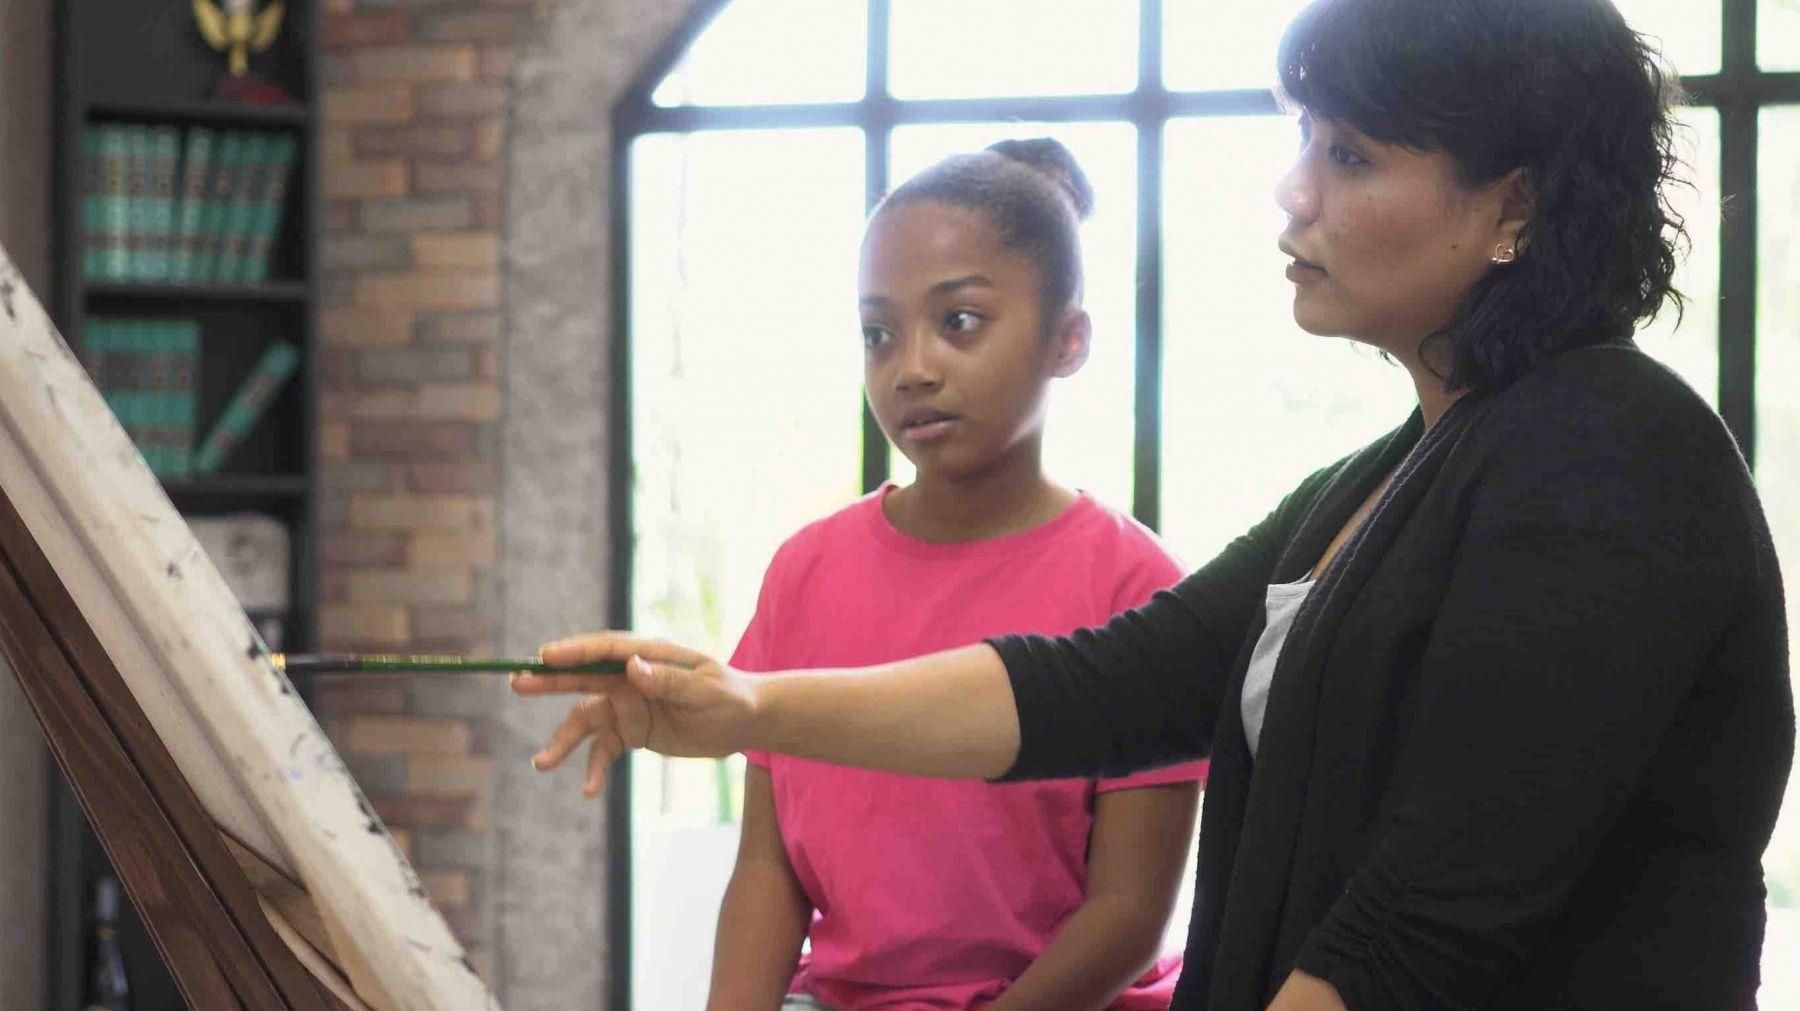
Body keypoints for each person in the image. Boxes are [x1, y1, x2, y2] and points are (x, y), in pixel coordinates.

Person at [515, 1, 1796, 1008]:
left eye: (1349, 154)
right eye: (1307, 144)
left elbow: (1434, 915)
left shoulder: (1611, 450)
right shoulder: (1383, 477)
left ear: (1512, 205)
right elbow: (1105, 685)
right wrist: (744, 708)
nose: (1295, 193)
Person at [715, 138, 1202, 1010]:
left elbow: (1128, 912)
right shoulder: (804, 571)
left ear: (1069, 339)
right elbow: (767, 866)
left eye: (960, 322)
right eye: (878, 334)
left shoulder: (1140, 586)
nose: (913, 368)